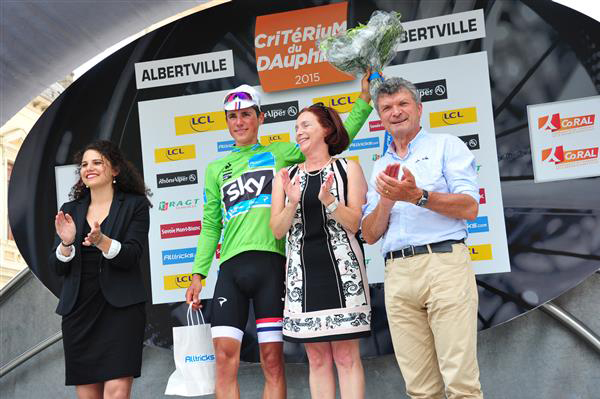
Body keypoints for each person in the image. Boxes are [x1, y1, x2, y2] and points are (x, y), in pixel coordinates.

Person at [185, 75, 373, 399]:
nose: (239, 121)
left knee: (272, 360)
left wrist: (364, 102)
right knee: (224, 358)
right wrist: (198, 273)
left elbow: (331, 143)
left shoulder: (281, 153)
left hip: (273, 266)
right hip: (230, 267)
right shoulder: (216, 169)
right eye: (233, 116)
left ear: (261, 117)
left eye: (246, 114)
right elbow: (210, 225)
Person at [361, 77, 483, 399]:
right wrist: (387, 201)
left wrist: (417, 196)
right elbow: (370, 234)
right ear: (380, 117)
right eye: (386, 108)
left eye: (402, 104)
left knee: (460, 384)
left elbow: (470, 207)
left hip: (443, 265)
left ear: (419, 108)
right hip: (398, 275)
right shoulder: (380, 166)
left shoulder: (446, 145)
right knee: (420, 389)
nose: (395, 112)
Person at [270, 104, 370, 399]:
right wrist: (291, 203)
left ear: (326, 129)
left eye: (305, 125)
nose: (298, 132)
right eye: (296, 127)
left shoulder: (347, 168)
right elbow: (277, 230)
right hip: (302, 277)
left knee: (346, 358)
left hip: (343, 273)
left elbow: (355, 224)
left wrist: (329, 200)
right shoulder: (284, 176)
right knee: (317, 359)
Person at [50, 140, 151, 399]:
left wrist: (102, 241)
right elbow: (56, 267)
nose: (88, 168)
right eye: (84, 164)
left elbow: (132, 255)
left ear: (115, 170)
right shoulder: (69, 210)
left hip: (121, 311)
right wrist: (66, 243)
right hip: (79, 311)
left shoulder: (135, 205)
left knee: (117, 392)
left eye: (97, 162)